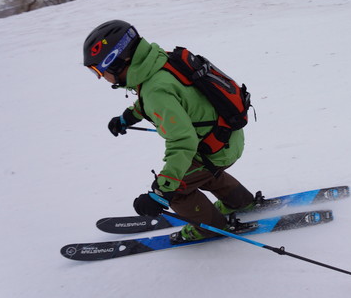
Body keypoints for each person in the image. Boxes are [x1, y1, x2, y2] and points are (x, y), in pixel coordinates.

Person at [82, 20, 256, 244]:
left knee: (179, 187)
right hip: (226, 136)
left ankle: (212, 227)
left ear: (117, 62)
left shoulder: (155, 90)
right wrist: (128, 118)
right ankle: (240, 202)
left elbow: (182, 142)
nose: (100, 77)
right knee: (199, 172)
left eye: (99, 70)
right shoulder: (158, 61)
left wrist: (161, 193)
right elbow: (168, 98)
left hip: (213, 148)